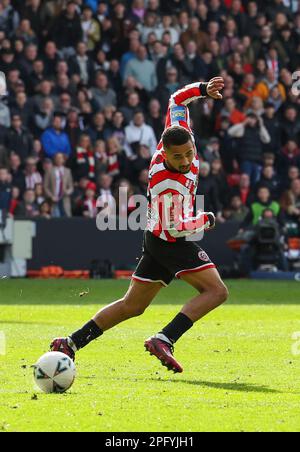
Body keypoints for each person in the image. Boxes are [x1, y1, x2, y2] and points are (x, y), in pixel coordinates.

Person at [50, 77, 229, 374]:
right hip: (171, 240)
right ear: (166, 155)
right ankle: (165, 338)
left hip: (157, 238)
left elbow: (176, 100)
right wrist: (204, 220)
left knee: (132, 305)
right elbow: (175, 228)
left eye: (188, 153)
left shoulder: (178, 134)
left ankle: (70, 342)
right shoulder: (165, 184)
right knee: (217, 292)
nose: (185, 160)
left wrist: (201, 90)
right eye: (178, 157)